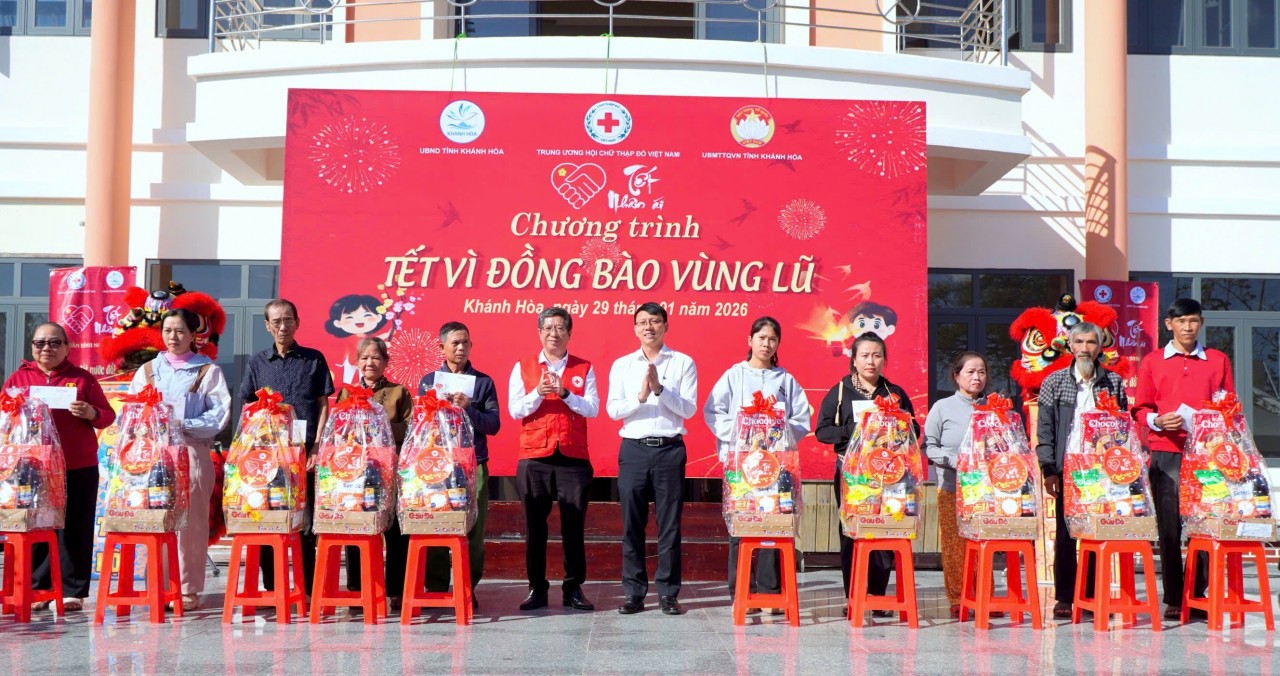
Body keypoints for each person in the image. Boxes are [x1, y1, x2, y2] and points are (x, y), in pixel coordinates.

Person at [2, 322, 116, 612]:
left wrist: (90, 412)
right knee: (36, 524)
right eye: (40, 343)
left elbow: (107, 416)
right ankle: (39, 587)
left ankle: (72, 591)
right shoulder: (19, 378)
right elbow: (4, 416)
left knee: (75, 527)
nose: (46, 349)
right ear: (32, 348)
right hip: (32, 468)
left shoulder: (82, 379)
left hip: (77, 464)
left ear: (67, 347)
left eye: (54, 343)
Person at [1133, 298, 1232, 619]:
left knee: (1204, 524)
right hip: (1166, 452)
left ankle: (1197, 594)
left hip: (1207, 455)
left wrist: (1215, 422)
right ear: (1168, 324)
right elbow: (1141, 408)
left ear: (1201, 323)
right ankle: (1175, 597)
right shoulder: (1152, 361)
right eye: (1181, 321)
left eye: (1193, 321)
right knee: (1170, 527)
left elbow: (1229, 404)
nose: (1188, 327)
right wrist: (1157, 421)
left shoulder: (1218, 360)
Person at [127, 309, 232, 611]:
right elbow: (132, 412)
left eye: (180, 331)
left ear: (193, 335)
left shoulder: (207, 371)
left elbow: (220, 414)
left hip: (192, 452)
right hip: (156, 457)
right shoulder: (147, 371)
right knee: (156, 520)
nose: (173, 337)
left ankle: (188, 588)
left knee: (192, 523)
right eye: (168, 330)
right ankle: (159, 585)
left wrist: (181, 424)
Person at [704, 316, 810, 607]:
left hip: (776, 467)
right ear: (749, 340)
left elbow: (801, 418)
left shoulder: (785, 379)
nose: (766, 343)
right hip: (743, 466)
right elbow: (713, 412)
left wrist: (778, 437)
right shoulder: (733, 376)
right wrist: (740, 436)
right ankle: (740, 591)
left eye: (772, 339)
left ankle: (769, 592)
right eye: (761, 337)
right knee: (742, 526)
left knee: (773, 524)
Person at [814, 333, 917, 616]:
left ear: (884, 360)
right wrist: (856, 429)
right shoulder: (840, 391)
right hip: (852, 475)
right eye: (865, 355)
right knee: (852, 532)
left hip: (890, 475)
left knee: (887, 527)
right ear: (854, 360)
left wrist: (892, 429)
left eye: (877, 355)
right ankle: (854, 596)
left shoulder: (894, 393)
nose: (871, 361)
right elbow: (822, 431)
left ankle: (878, 596)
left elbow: (914, 430)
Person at [606, 303, 698, 616]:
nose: (649, 327)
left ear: (666, 326)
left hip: (669, 450)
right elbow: (613, 410)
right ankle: (634, 593)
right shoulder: (622, 365)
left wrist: (660, 389)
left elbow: (688, 409)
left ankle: (668, 594)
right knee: (632, 524)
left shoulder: (684, 362)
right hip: (633, 449)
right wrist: (641, 397)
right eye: (643, 322)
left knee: (669, 526)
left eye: (655, 321)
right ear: (635, 328)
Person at [239, 298, 335, 592]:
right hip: (268, 457)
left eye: (288, 320)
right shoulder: (257, 362)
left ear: (297, 323)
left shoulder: (313, 359)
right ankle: (273, 588)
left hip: (304, 451)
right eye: (277, 321)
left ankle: (306, 589)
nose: (283, 326)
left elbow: (322, 404)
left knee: (305, 523)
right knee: (270, 518)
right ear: (268, 326)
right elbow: (247, 404)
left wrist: (318, 445)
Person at [508, 307, 600, 612]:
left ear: (569, 333)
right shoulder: (523, 366)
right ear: (539, 332)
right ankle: (537, 587)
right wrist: (538, 392)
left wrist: (564, 394)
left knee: (573, 526)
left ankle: (573, 588)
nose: (554, 333)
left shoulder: (584, 367)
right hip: (534, 457)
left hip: (573, 457)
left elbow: (592, 408)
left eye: (560, 328)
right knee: (535, 526)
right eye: (548, 328)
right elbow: (515, 410)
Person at [1036, 321, 1127, 618]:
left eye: (1091, 343)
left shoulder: (1114, 383)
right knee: (1066, 533)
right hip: (1067, 468)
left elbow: (1123, 430)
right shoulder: (1054, 381)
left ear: (1100, 347)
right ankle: (1064, 596)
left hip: (1102, 472)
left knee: (1097, 532)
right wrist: (1049, 469)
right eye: (1080, 343)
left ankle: (1092, 594)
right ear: (1070, 346)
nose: (1085, 349)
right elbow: (1045, 430)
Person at [419, 322, 501, 610]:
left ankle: (468, 586)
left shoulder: (483, 382)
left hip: (472, 464)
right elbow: (419, 425)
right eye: (455, 343)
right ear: (441, 347)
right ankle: (438, 587)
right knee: (436, 525)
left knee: (473, 529)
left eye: (466, 342)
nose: (461, 347)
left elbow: (494, 425)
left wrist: (470, 407)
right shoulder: (429, 382)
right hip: (437, 466)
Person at [338, 337, 412, 610]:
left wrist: (379, 424)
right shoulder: (347, 393)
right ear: (358, 362)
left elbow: (410, 430)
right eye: (365, 358)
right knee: (357, 529)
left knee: (394, 531)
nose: (370, 363)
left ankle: (396, 589)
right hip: (356, 473)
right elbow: (339, 430)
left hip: (389, 471)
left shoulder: (398, 392)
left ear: (385, 362)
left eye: (376, 358)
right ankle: (359, 587)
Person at [923, 351, 987, 618]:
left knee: (984, 543)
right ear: (956, 375)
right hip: (951, 487)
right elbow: (929, 447)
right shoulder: (942, 407)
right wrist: (954, 460)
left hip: (985, 492)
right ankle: (958, 597)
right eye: (970, 371)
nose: (976, 377)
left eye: (981, 372)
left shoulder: (993, 408)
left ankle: (984, 595)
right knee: (954, 545)